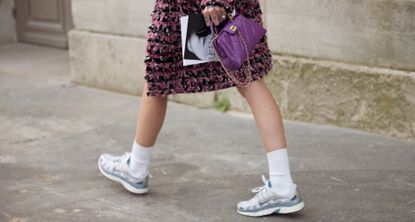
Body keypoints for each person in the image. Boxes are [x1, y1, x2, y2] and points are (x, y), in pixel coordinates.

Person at [97, 0, 305, 217]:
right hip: (210, 10)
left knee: (158, 79)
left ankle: (136, 167)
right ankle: (281, 183)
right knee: (248, 82)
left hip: (197, 10)